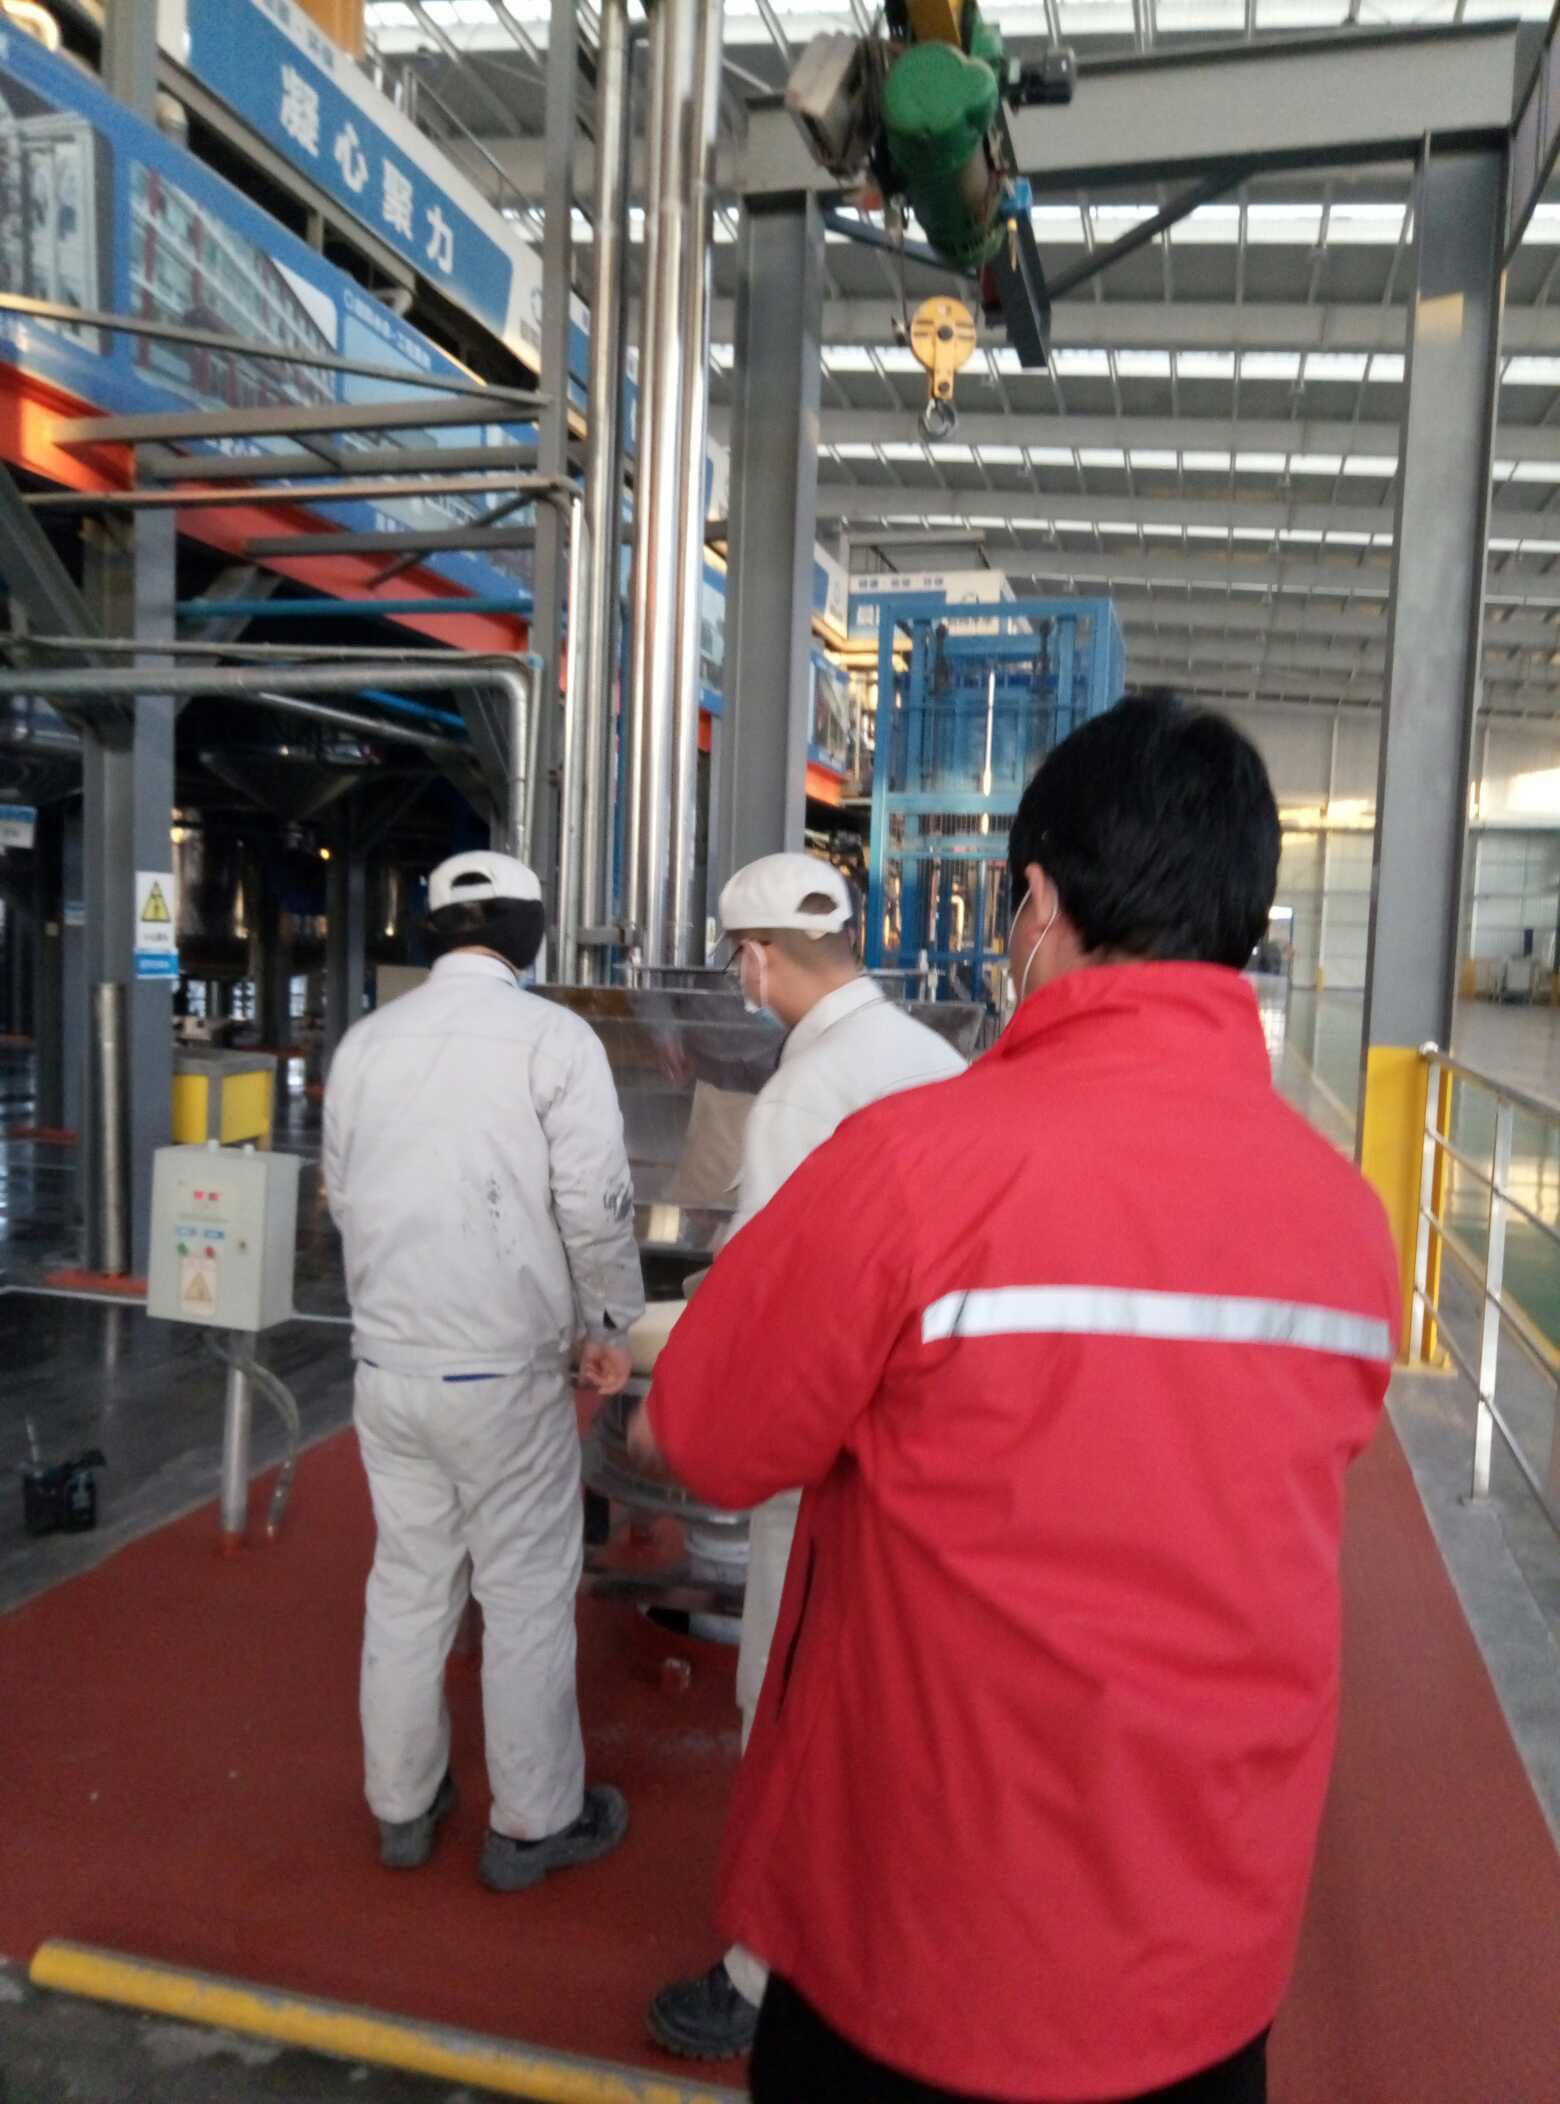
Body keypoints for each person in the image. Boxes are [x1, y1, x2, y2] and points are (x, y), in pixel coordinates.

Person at [631, 696, 1399, 2103]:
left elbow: (709, 1435)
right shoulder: (1347, 1224)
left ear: (1035, 903)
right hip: (1209, 1970)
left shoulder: (911, 1168)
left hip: (923, 1961)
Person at [644, 852, 967, 2062]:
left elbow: (769, 1301)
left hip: (826, 1462)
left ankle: (763, 1976)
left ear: (756, 958)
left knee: (781, 1705)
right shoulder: (938, 1062)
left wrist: (671, 1378)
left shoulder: (802, 1090)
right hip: (931, 1453)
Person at [324, 850, 643, 1891]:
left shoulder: (365, 1045)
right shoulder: (554, 1039)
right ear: (531, 933)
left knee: (409, 1584)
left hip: (388, 1368)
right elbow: (594, 1204)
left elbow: (342, 1196)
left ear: (433, 933)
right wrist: (609, 1322)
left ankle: (402, 1807)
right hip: (504, 1377)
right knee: (524, 1592)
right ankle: (534, 1823)